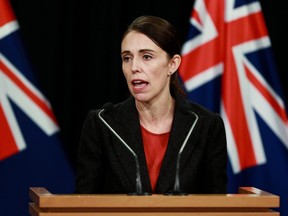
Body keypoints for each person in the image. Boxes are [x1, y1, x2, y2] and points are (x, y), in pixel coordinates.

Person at [75, 15, 227, 195]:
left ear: (172, 64)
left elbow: (217, 205)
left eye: (146, 57)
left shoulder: (205, 126)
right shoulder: (102, 124)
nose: (134, 67)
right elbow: (84, 203)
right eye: (127, 58)